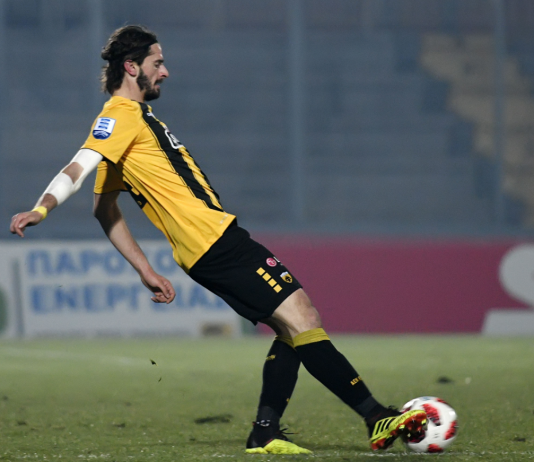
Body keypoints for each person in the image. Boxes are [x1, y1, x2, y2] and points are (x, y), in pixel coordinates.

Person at [10, 25, 426, 454]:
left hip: (210, 244)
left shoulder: (134, 124)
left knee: (293, 328)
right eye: (157, 63)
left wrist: (145, 270)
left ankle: (265, 432)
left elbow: (104, 209)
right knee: (303, 317)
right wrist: (43, 208)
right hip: (214, 242)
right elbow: (78, 165)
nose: (165, 72)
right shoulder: (118, 117)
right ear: (131, 67)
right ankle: (375, 417)